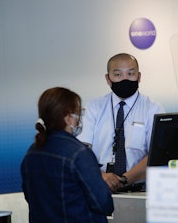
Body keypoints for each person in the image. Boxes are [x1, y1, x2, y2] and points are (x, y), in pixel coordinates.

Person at [21, 87, 113, 223]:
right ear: (68, 117)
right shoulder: (79, 154)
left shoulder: (31, 153)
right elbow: (104, 204)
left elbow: (31, 197)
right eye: (78, 113)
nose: (79, 119)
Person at [77, 53, 165, 192]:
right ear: (108, 79)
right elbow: (81, 151)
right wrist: (102, 177)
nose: (125, 79)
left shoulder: (153, 109)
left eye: (130, 73)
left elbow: (156, 155)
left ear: (139, 76)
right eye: (118, 75)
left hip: (139, 190)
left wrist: (123, 180)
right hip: (98, 187)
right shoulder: (94, 107)